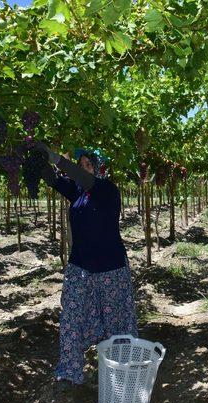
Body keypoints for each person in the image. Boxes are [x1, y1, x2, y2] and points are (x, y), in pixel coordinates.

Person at [35, 143, 138, 389]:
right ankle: (68, 372)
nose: (82, 169)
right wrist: (36, 159)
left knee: (117, 322)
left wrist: (56, 158)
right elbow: (53, 180)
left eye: (88, 164)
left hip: (110, 268)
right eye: (80, 165)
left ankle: (123, 371)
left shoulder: (107, 189)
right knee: (71, 318)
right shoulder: (78, 192)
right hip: (79, 268)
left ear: (99, 167)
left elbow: (80, 177)